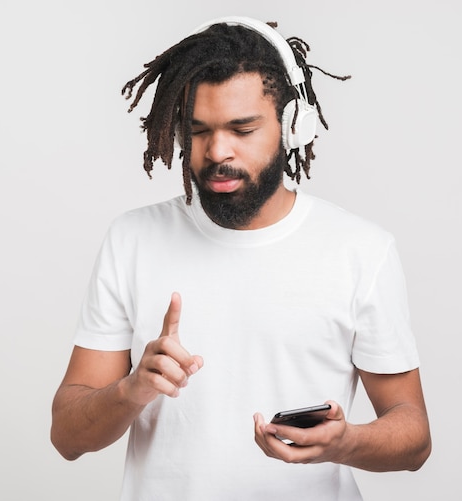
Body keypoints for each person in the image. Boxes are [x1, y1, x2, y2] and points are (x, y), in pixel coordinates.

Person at [51, 16, 431, 501]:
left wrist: (347, 441)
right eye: (198, 130)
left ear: (292, 125)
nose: (216, 151)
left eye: (242, 128)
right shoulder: (133, 239)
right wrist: (131, 390)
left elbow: (414, 436)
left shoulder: (361, 250)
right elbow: (67, 436)